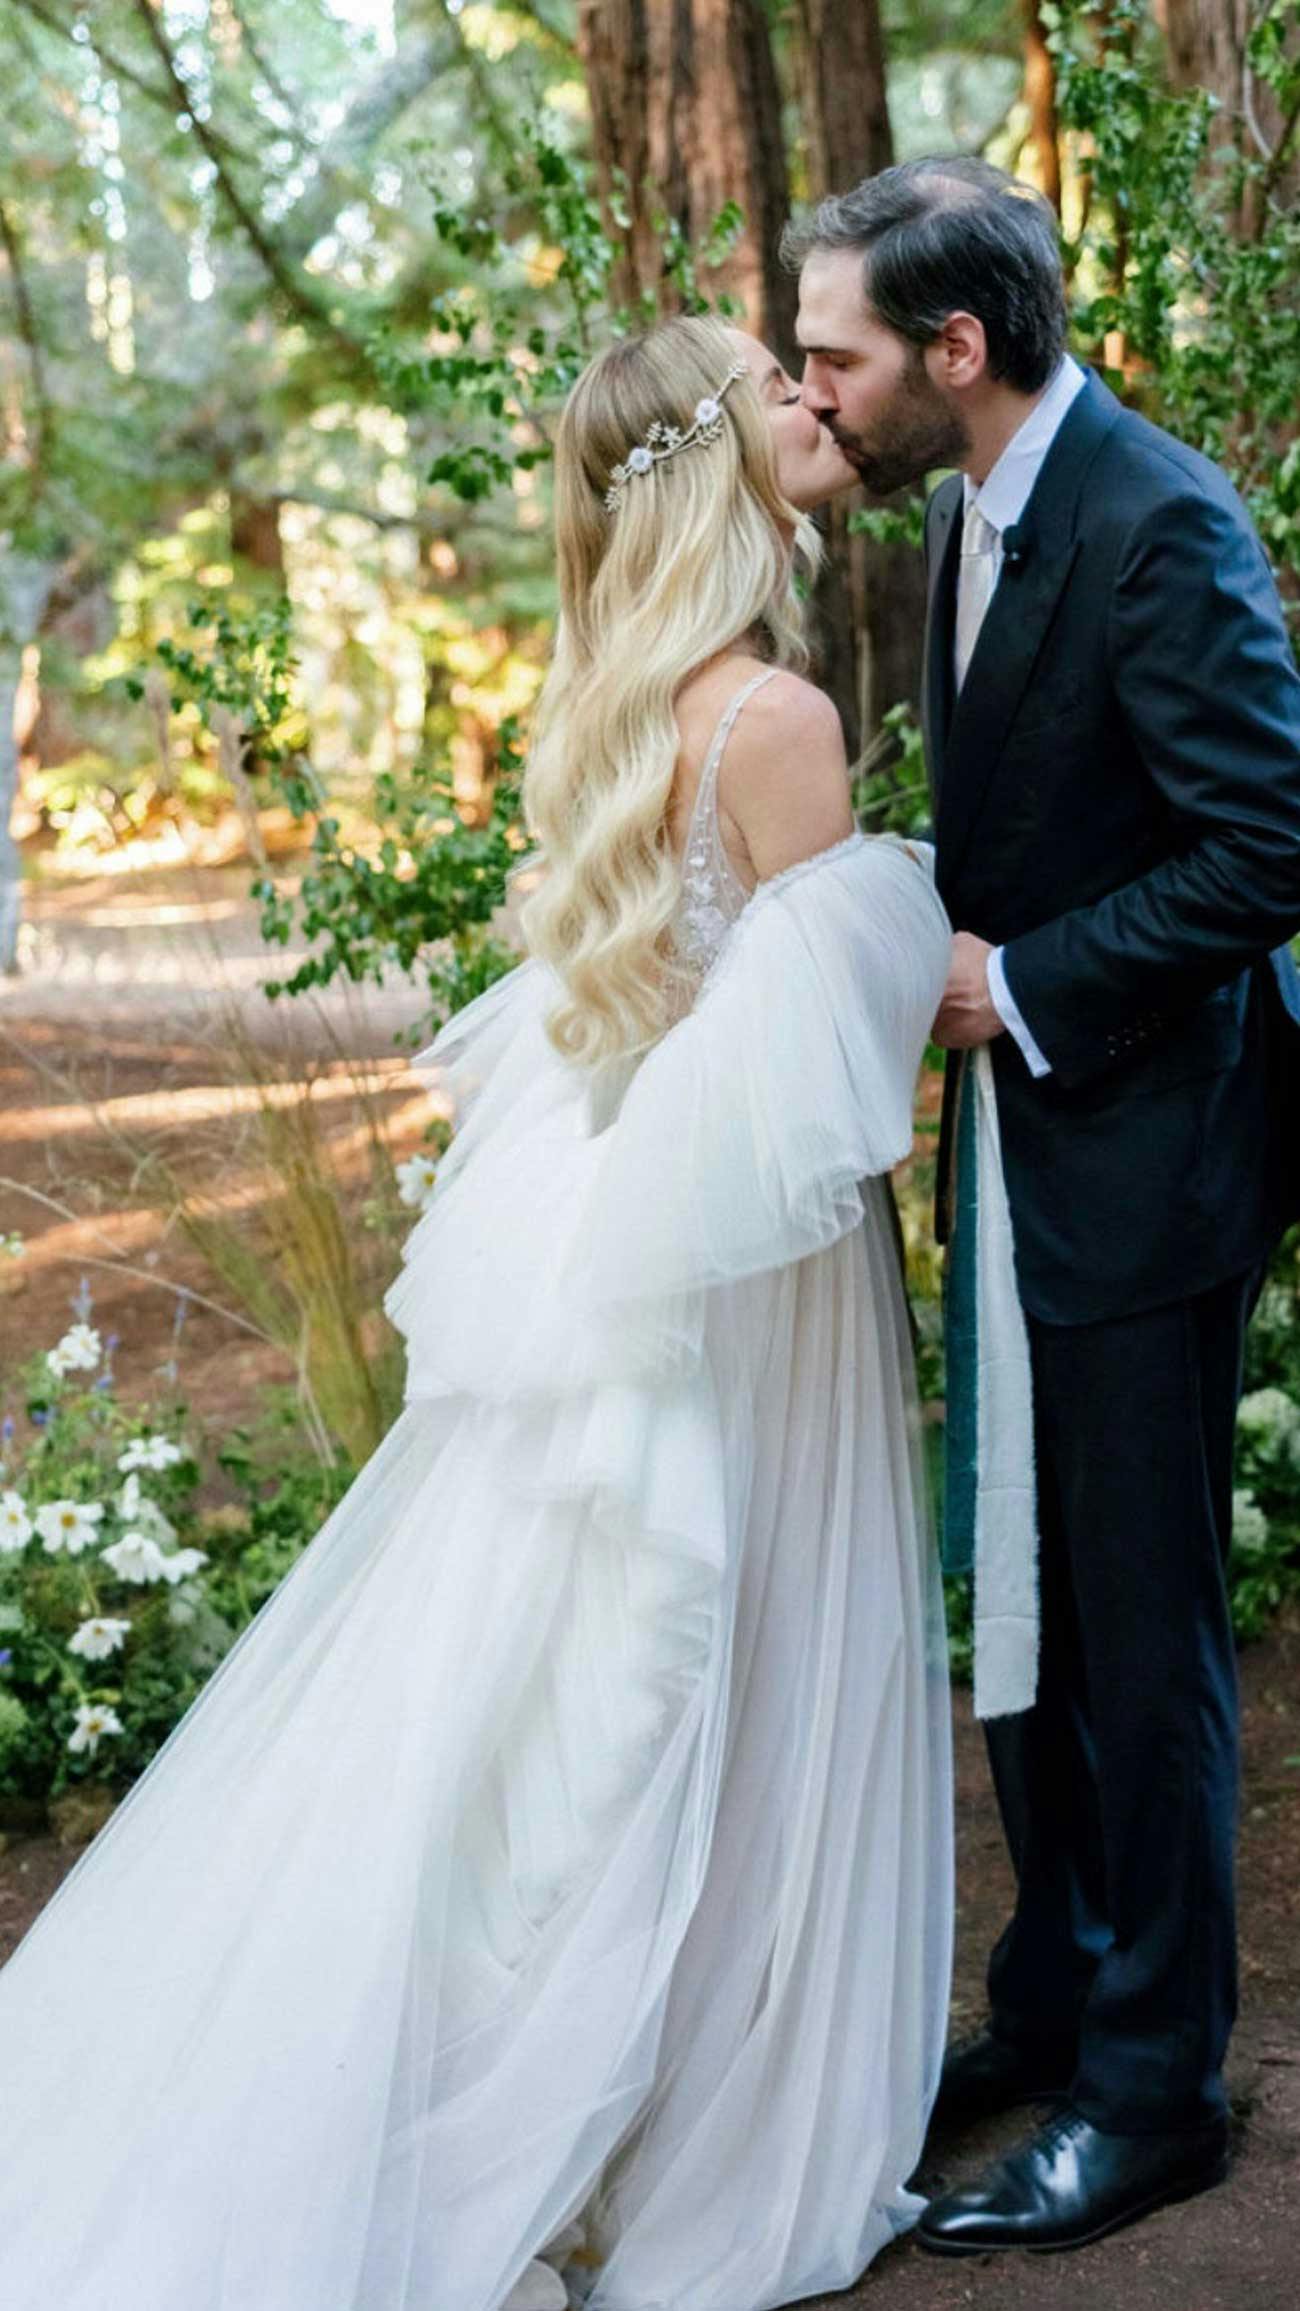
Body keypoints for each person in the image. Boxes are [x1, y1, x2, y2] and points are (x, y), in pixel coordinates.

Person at [0, 313, 956, 2311]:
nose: (809, 396)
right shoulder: (767, 718)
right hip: (742, 1275)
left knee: (573, 1682)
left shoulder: (609, 701)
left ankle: (555, 2056)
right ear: (715, 458)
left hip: (623, 1229)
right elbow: (836, 1071)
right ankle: (689, 2097)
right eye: (768, 381)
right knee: (736, 1660)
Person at [786, 155, 1300, 2256]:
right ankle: (1057, 1989)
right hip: (1030, 1141)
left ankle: (1158, 2091)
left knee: (1137, 1625)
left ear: (953, 351)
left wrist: (1026, 982)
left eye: (834, 355)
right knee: (1025, 1580)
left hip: (1152, 1148)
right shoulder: (954, 511)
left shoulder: (1155, 520)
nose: (807, 391)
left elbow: (1264, 844)